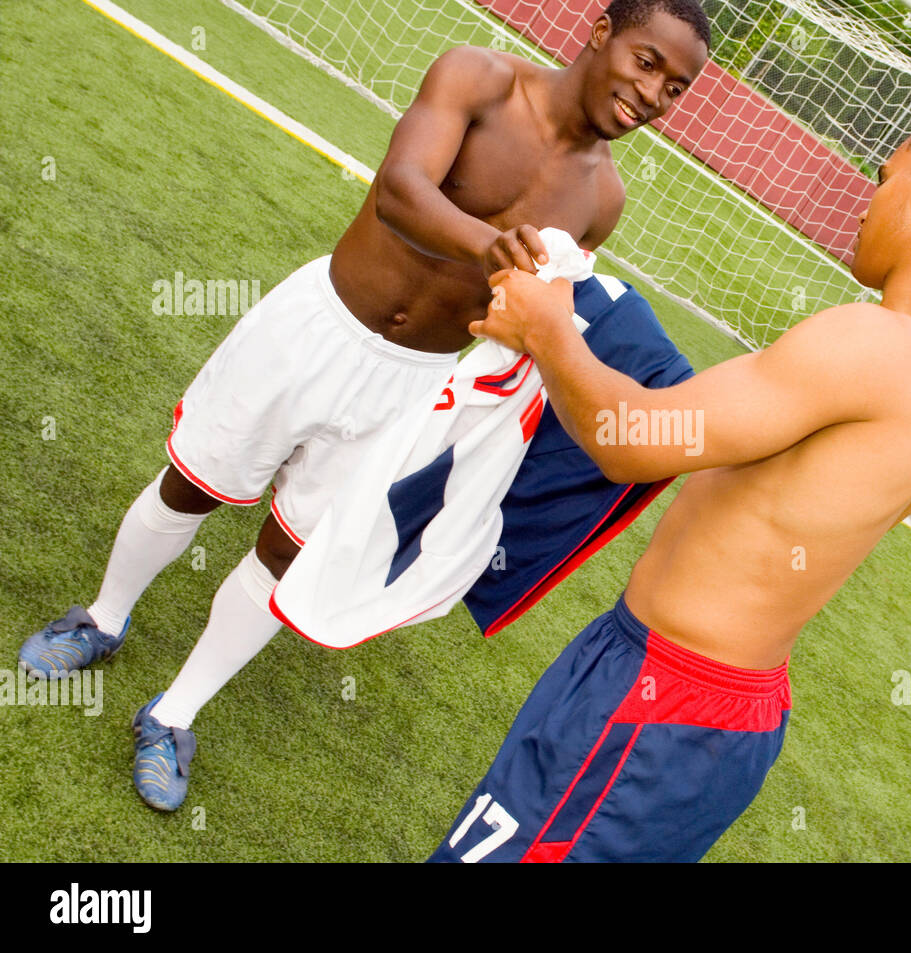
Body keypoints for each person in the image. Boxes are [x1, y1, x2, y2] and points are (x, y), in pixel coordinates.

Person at [20, 0, 711, 812]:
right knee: (193, 485)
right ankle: (101, 617)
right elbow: (399, 191)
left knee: (290, 550)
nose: (654, 93)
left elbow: (533, 308)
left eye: (676, 87)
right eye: (647, 61)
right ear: (600, 32)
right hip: (319, 324)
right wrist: (489, 246)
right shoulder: (481, 78)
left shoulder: (604, 199)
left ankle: (174, 715)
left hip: (414, 386)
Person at [430, 115, 911, 862]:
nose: (864, 201)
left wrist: (549, 328)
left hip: (660, 698)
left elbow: (633, 443)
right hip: (718, 711)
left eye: (883, 177)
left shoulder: (874, 342)